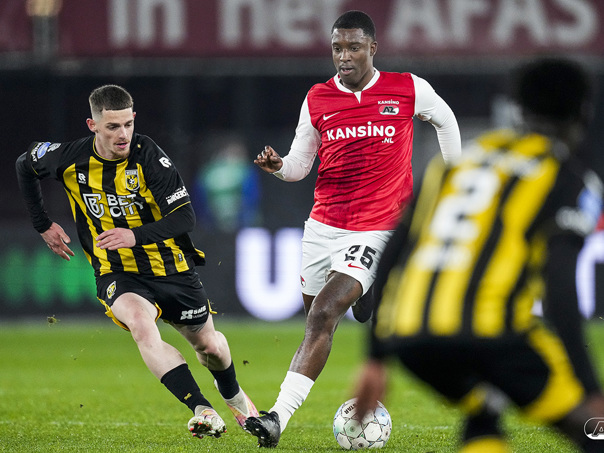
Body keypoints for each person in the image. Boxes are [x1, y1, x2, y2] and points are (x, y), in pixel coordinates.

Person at [354, 58, 604, 453]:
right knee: (591, 427)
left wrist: (375, 358)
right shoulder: (567, 179)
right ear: (583, 114)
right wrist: (590, 389)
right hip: (495, 335)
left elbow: (395, 250)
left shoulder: (458, 163)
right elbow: (559, 287)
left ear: (518, 109)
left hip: (411, 337)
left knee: (484, 407)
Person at [245, 10, 461, 447]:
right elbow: (300, 165)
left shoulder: (407, 88)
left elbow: (446, 120)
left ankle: (276, 418)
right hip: (323, 226)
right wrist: (279, 166)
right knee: (316, 318)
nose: (344, 56)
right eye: (337, 48)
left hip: (377, 227)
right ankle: (368, 298)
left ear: (372, 48)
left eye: (353, 47)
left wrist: (455, 180)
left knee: (324, 313)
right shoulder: (318, 98)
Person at [15, 84, 258, 440]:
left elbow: (185, 217)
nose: (123, 134)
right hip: (116, 271)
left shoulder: (150, 157)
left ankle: (236, 399)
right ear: (92, 125)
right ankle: (202, 409)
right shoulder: (68, 158)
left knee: (209, 348)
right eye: (112, 126)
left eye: (128, 124)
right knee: (142, 327)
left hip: (171, 267)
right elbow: (24, 164)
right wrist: (42, 224)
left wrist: (134, 235)